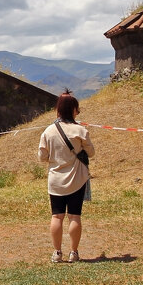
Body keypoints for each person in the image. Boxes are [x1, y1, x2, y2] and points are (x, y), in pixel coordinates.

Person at [38, 90, 95, 263]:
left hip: (55, 180)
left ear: (58, 110)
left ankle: (57, 253)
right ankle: (74, 252)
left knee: (57, 216)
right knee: (74, 216)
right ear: (73, 110)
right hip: (77, 179)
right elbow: (91, 153)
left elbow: (42, 157)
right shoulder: (80, 130)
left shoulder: (48, 131)